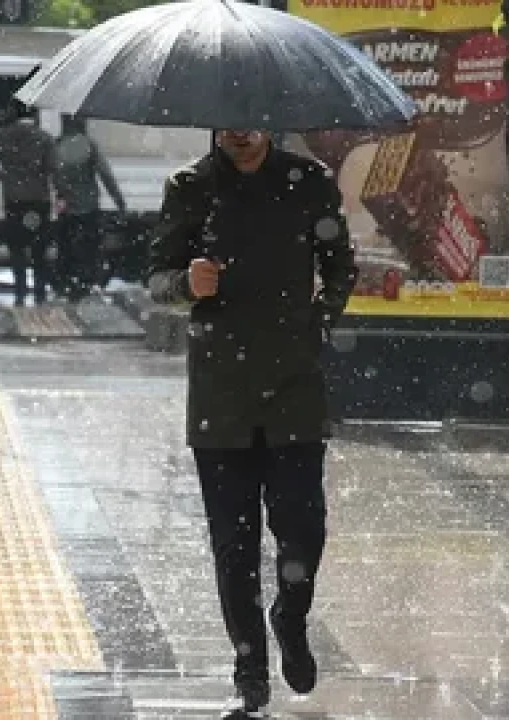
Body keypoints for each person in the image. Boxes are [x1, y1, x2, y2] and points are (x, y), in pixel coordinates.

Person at [148, 130, 358, 720]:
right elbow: (157, 280)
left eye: (251, 123)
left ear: (270, 123)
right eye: (228, 124)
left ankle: (290, 615)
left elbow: (341, 266)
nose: (239, 135)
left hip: (293, 388)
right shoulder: (191, 188)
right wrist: (184, 284)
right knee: (233, 547)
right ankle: (250, 675)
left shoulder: (307, 183)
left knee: (304, 528)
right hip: (221, 396)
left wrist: (317, 326)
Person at [0, 99, 56, 306]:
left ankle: (20, 293)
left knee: (17, 248)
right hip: (38, 200)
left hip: (13, 200)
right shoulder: (44, 138)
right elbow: (53, 167)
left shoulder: (2, 134)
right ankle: (39, 294)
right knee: (39, 249)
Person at [52, 114, 126, 300]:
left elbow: (53, 173)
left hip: (66, 208)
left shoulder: (57, 145)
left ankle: (65, 286)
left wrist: (62, 194)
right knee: (89, 250)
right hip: (88, 207)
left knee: (65, 249)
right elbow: (105, 174)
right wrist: (118, 200)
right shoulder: (89, 145)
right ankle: (85, 285)